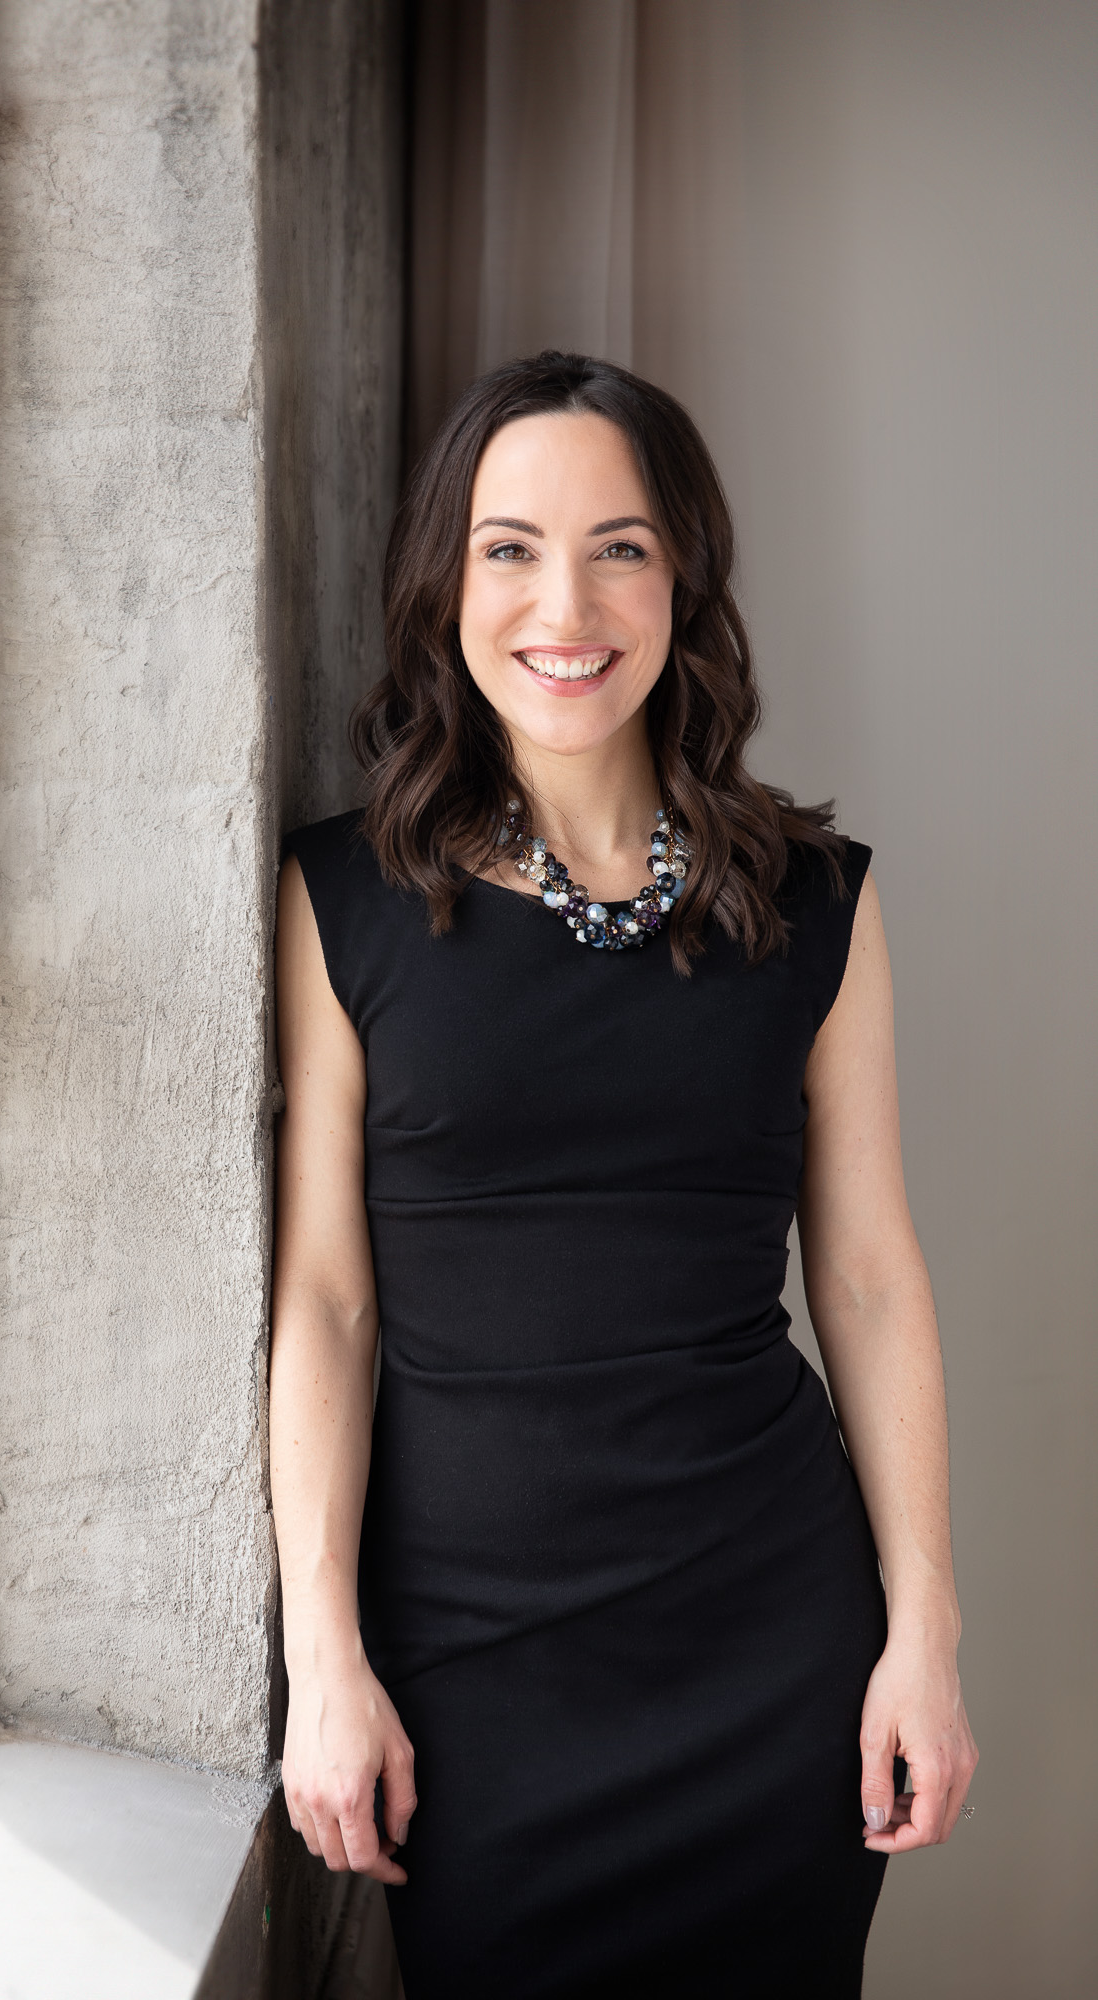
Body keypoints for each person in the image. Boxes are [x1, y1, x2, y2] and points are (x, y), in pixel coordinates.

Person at [269, 351, 976, 1998]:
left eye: (620, 546)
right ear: (446, 578)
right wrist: (324, 1653)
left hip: (765, 1642)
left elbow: (866, 1276)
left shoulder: (815, 903)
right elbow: (324, 1303)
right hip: (470, 1664)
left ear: (684, 582)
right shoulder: (343, 903)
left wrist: (921, 1631)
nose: (562, 601)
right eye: (508, 545)